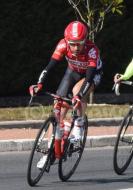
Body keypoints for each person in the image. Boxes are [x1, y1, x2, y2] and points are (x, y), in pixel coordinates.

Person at [29, 21, 103, 168]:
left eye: (79, 44)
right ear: (67, 41)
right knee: (57, 107)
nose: (76, 48)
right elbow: (50, 67)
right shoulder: (62, 45)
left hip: (92, 74)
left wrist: (79, 95)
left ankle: (79, 123)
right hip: (72, 72)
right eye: (72, 44)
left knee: (77, 92)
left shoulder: (92, 49)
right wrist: (39, 84)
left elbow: (88, 77)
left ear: (85, 40)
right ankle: (49, 151)